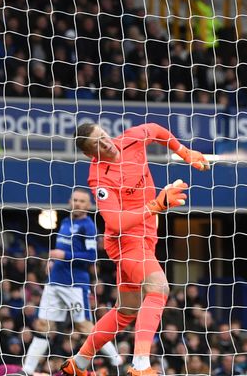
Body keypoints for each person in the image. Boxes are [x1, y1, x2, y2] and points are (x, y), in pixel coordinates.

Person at [55, 122, 209, 376]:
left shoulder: (131, 139)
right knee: (159, 288)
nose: (104, 143)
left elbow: (157, 130)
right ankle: (140, 365)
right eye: (96, 143)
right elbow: (115, 221)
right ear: (89, 154)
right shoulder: (99, 178)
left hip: (146, 236)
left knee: (126, 310)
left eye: (102, 135)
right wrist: (155, 206)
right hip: (126, 240)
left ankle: (79, 363)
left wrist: (184, 151)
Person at [22, 189, 122, 374]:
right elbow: (61, 248)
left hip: (74, 284)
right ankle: (27, 370)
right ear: (70, 201)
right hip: (54, 282)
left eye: (82, 201)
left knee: (84, 326)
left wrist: (64, 255)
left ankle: (117, 362)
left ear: (88, 205)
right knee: (43, 325)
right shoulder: (66, 221)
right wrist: (53, 261)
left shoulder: (89, 226)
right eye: (75, 200)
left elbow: (92, 256)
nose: (77, 203)